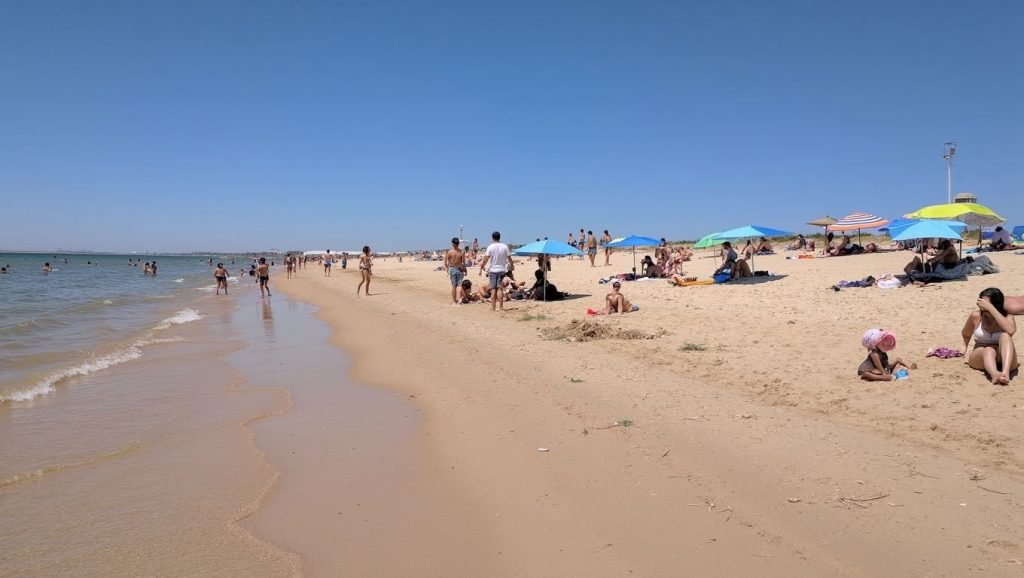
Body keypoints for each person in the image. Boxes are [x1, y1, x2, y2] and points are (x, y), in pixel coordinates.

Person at [961, 288, 1017, 385]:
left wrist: (991, 309)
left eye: (984, 302)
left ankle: (1005, 373)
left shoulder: (1008, 317)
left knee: (1005, 335)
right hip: (981, 354)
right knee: (989, 349)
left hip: (1002, 355)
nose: (981, 304)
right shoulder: (976, 316)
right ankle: (994, 374)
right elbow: (966, 333)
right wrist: (964, 347)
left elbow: (1011, 331)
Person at [478, 231, 514, 311]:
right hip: (501, 270)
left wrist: (482, 267)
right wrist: (512, 265)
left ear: (492, 238)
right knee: (500, 289)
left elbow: (486, 259)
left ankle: (493, 307)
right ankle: (501, 307)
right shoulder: (505, 246)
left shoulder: (490, 247)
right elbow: (509, 258)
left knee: (493, 289)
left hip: (493, 270)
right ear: (500, 237)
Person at [444, 237, 466, 305]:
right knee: (459, 285)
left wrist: (447, 268)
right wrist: (465, 270)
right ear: (458, 244)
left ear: (453, 244)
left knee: (454, 286)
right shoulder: (462, 252)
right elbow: (464, 263)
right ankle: (459, 300)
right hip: (460, 269)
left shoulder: (450, 252)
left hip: (453, 269)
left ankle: (454, 301)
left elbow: (445, 262)